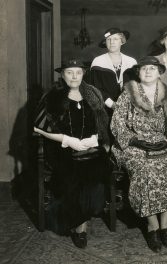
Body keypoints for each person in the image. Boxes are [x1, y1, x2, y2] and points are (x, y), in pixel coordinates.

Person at [110, 56, 167, 253]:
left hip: (162, 143)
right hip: (133, 145)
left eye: (152, 69)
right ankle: (152, 225)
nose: (148, 72)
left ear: (159, 72)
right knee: (144, 171)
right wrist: (135, 141)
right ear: (138, 73)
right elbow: (117, 123)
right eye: (144, 69)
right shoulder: (127, 94)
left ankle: (165, 226)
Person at [34, 59, 110, 249]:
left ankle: (84, 216)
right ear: (62, 75)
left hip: (91, 147)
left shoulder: (92, 93)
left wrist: (95, 139)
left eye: (78, 72)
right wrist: (68, 141)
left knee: (96, 174)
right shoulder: (52, 96)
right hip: (62, 149)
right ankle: (80, 229)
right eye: (70, 72)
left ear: (83, 74)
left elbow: (102, 123)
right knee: (74, 177)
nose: (74, 76)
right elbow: (39, 126)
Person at [90, 27, 137, 117]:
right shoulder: (98, 62)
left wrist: (125, 105)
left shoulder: (131, 62)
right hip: (104, 109)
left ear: (122, 41)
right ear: (105, 42)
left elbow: (135, 87)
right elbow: (95, 88)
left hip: (128, 110)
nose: (112, 42)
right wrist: (112, 104)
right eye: (109, 39)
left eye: (115, 39)